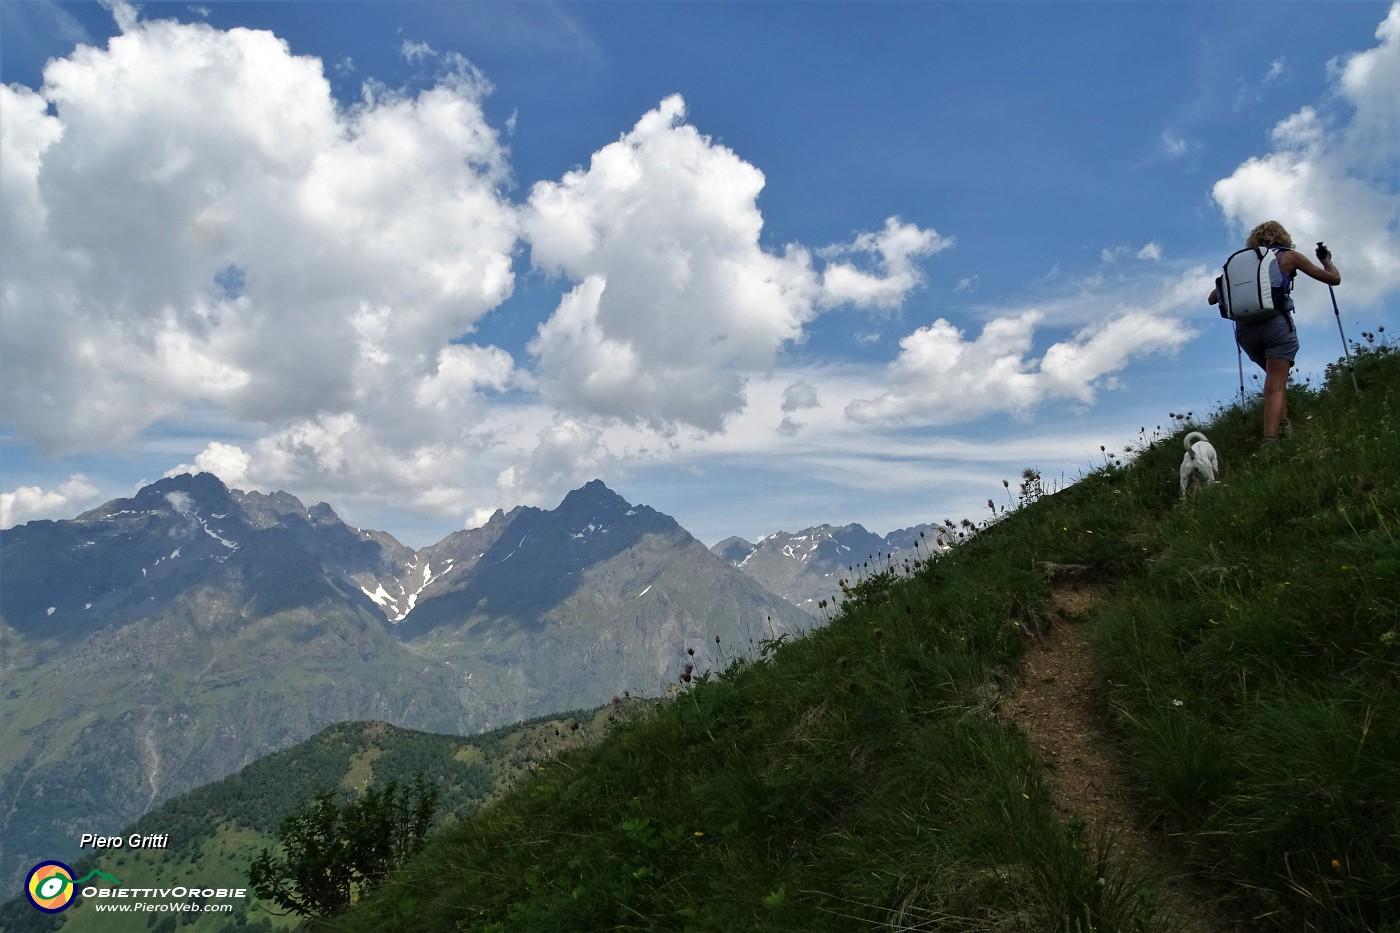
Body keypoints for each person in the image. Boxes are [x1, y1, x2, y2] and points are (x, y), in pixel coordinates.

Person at [1208, 220, 1341, 445]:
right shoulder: (1289, 256)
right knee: (1276, 384)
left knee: (1276, 380)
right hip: (1275, 325)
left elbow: (1213, 298)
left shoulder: (1244, 264)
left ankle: (1284, 426)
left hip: (1246, 332)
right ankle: (1270, 440)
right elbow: (1333, 279)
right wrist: (1326, 260)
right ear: (1282, 236)